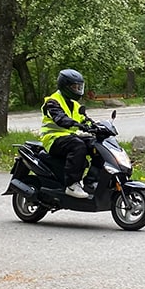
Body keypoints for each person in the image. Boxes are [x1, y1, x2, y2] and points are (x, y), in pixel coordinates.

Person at [40, 69, 96, 199]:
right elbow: (60, 118)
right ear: (64, 86)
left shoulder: (75, 104)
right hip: (53, 139)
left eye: (79, 87)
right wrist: (77, 125)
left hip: (69, 137)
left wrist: (96, 126)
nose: (78, 90)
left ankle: (92, 181)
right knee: (78, 146)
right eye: (74, 87)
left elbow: (84, 120)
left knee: (95, 144)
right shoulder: (52, 102)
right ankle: (72, 185)